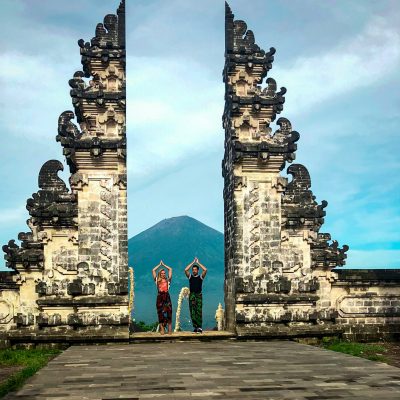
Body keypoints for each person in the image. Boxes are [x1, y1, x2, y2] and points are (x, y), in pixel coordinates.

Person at [184, 257, 207, 333]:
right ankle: (195, 327)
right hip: (192, 296)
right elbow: (186, 270)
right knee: (192, 312)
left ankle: (199, 327)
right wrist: (192, 262)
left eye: (195, 270)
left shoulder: (200, 277)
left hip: (199, 296)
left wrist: (198, 263)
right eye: (193, 270)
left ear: (197, 270)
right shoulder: (190, 277)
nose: (194, 271)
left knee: (199, 311)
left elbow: (205, 270)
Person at [152, 261, 173, 335]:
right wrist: (159, 265)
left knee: (169, 312)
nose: (163, 274)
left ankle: (170, 330)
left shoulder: (168, 280)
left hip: (167, 297)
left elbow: (170, 269)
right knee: (160, 313)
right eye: (162, 273)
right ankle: (162, 329)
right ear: (160, 274)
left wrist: (164, 265)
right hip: (160, 297)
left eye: (164, 273)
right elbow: (153, 270)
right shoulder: (157, 280)